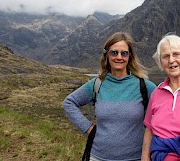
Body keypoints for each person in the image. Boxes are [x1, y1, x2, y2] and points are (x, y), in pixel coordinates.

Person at [63, 32, 156, 160]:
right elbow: (69, 102)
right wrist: (88, 128)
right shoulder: (97, 84)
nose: (119, 57)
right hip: (98, 157)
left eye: (124, 53)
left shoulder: (144, 86)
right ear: (106, 55)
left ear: (130, 56)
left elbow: (166, 107)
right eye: (114, 52)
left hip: (135, 157)